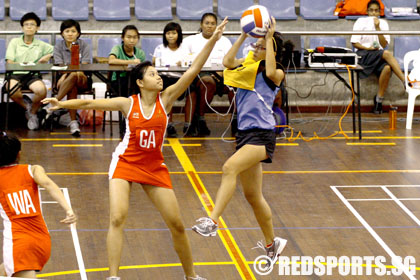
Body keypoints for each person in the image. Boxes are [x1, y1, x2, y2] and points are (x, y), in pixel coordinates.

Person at [42, 18, 228, 280]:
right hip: (125, 163)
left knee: (176, 224)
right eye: (152, 74)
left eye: (157, 73)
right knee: (117, 218)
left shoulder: (167, 98)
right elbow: (91, 103)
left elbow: (194, 69)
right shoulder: (127, 103)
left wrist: (213, 40)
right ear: (140, 83)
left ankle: (191, 276)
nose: (158, 76)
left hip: (154, 166)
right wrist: (60, 104)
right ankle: (113, 276)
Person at [192, 18, 287, 271]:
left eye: (260, 47)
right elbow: (226, 62)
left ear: (271, 51)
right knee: (253, 196)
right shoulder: (246, 66)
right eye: (254, 46)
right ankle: (271, 243)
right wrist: (244, 36)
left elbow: (268, 71)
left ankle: (212, 221)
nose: (254, 49)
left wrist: (268, 37)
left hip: (263, 134)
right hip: (244, 134)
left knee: (229, 168)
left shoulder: (275, 72)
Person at [0, 132, 77, 278]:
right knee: (4, 271)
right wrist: (69, 210)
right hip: (42, 241)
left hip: (18, 243)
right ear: (18, 154)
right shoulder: (33, 169)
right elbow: (48, 184)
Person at [183, 13, 233, 136]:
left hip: (222, 74)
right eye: (207, 23)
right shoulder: (190, 40)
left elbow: (231, 60)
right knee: (207, 82)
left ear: (216, 26)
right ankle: (200, 118)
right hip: (199, 74)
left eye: (213, 24)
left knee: (237, 84)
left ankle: (236, 121)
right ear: (201, 24)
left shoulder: (225, 41)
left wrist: (223, 71)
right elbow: (184, 60)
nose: (210, 26)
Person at [351, 0, 405, 114]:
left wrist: (378, 28)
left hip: (378, 54)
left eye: (376, 11)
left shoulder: (383, 23)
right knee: (387, 54)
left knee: (387, 68)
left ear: (380, 12)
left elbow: (384, 44)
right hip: (363, 54)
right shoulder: (360, 21)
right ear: (367, 12)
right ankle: (405, 81)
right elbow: (354, 43)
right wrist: (369, 49)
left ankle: (378, 101)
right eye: (371, 10)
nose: (374, 13)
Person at [4, 12, 53, 130]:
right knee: (11, 89)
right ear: (22, 27)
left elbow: (56, 50)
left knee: (41, 90)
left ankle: (32, 113)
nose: (29, 27)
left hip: (32, 75)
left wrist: (48, 56)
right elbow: (10, 62)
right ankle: (30, 109)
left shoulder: (41, 45)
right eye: (26, 24)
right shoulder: (14, 42)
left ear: (37, 28)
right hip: (15, 74)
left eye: (32, 24)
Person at [152, 22, 195, 137]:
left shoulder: (185, 48)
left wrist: (185, 63)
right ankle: (169, 124)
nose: (170, 36)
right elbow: (154, 63)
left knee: (193, 91)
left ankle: (188, 124)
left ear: (179, 34)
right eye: (168, 33)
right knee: (165, 91)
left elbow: (191, 63)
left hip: (181, 78)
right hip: (166, 77)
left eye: (173, 33)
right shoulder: (160, 48)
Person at [53, 19, 92, 137]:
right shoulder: (58, 46)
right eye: (67, 31)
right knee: (72, 87)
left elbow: (84, 65)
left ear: (78, 33)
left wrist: (69, 73)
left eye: (73, 31)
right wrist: (65, 75)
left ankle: (54, 102)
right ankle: (74, 124)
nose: (70, 34)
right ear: (62, 33)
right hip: (65, 79)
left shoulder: (84, 45)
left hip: (83, 78)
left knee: (75, 75)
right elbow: (59, 66)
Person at [108, 25, 146, 97]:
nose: (132, 40)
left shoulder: (140, 53)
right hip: (118, 81)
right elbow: (111, 60)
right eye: (128, 37)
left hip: (134, 81)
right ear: (122, 38)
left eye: (135, 37)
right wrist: (131, 62)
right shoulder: (117, 49)